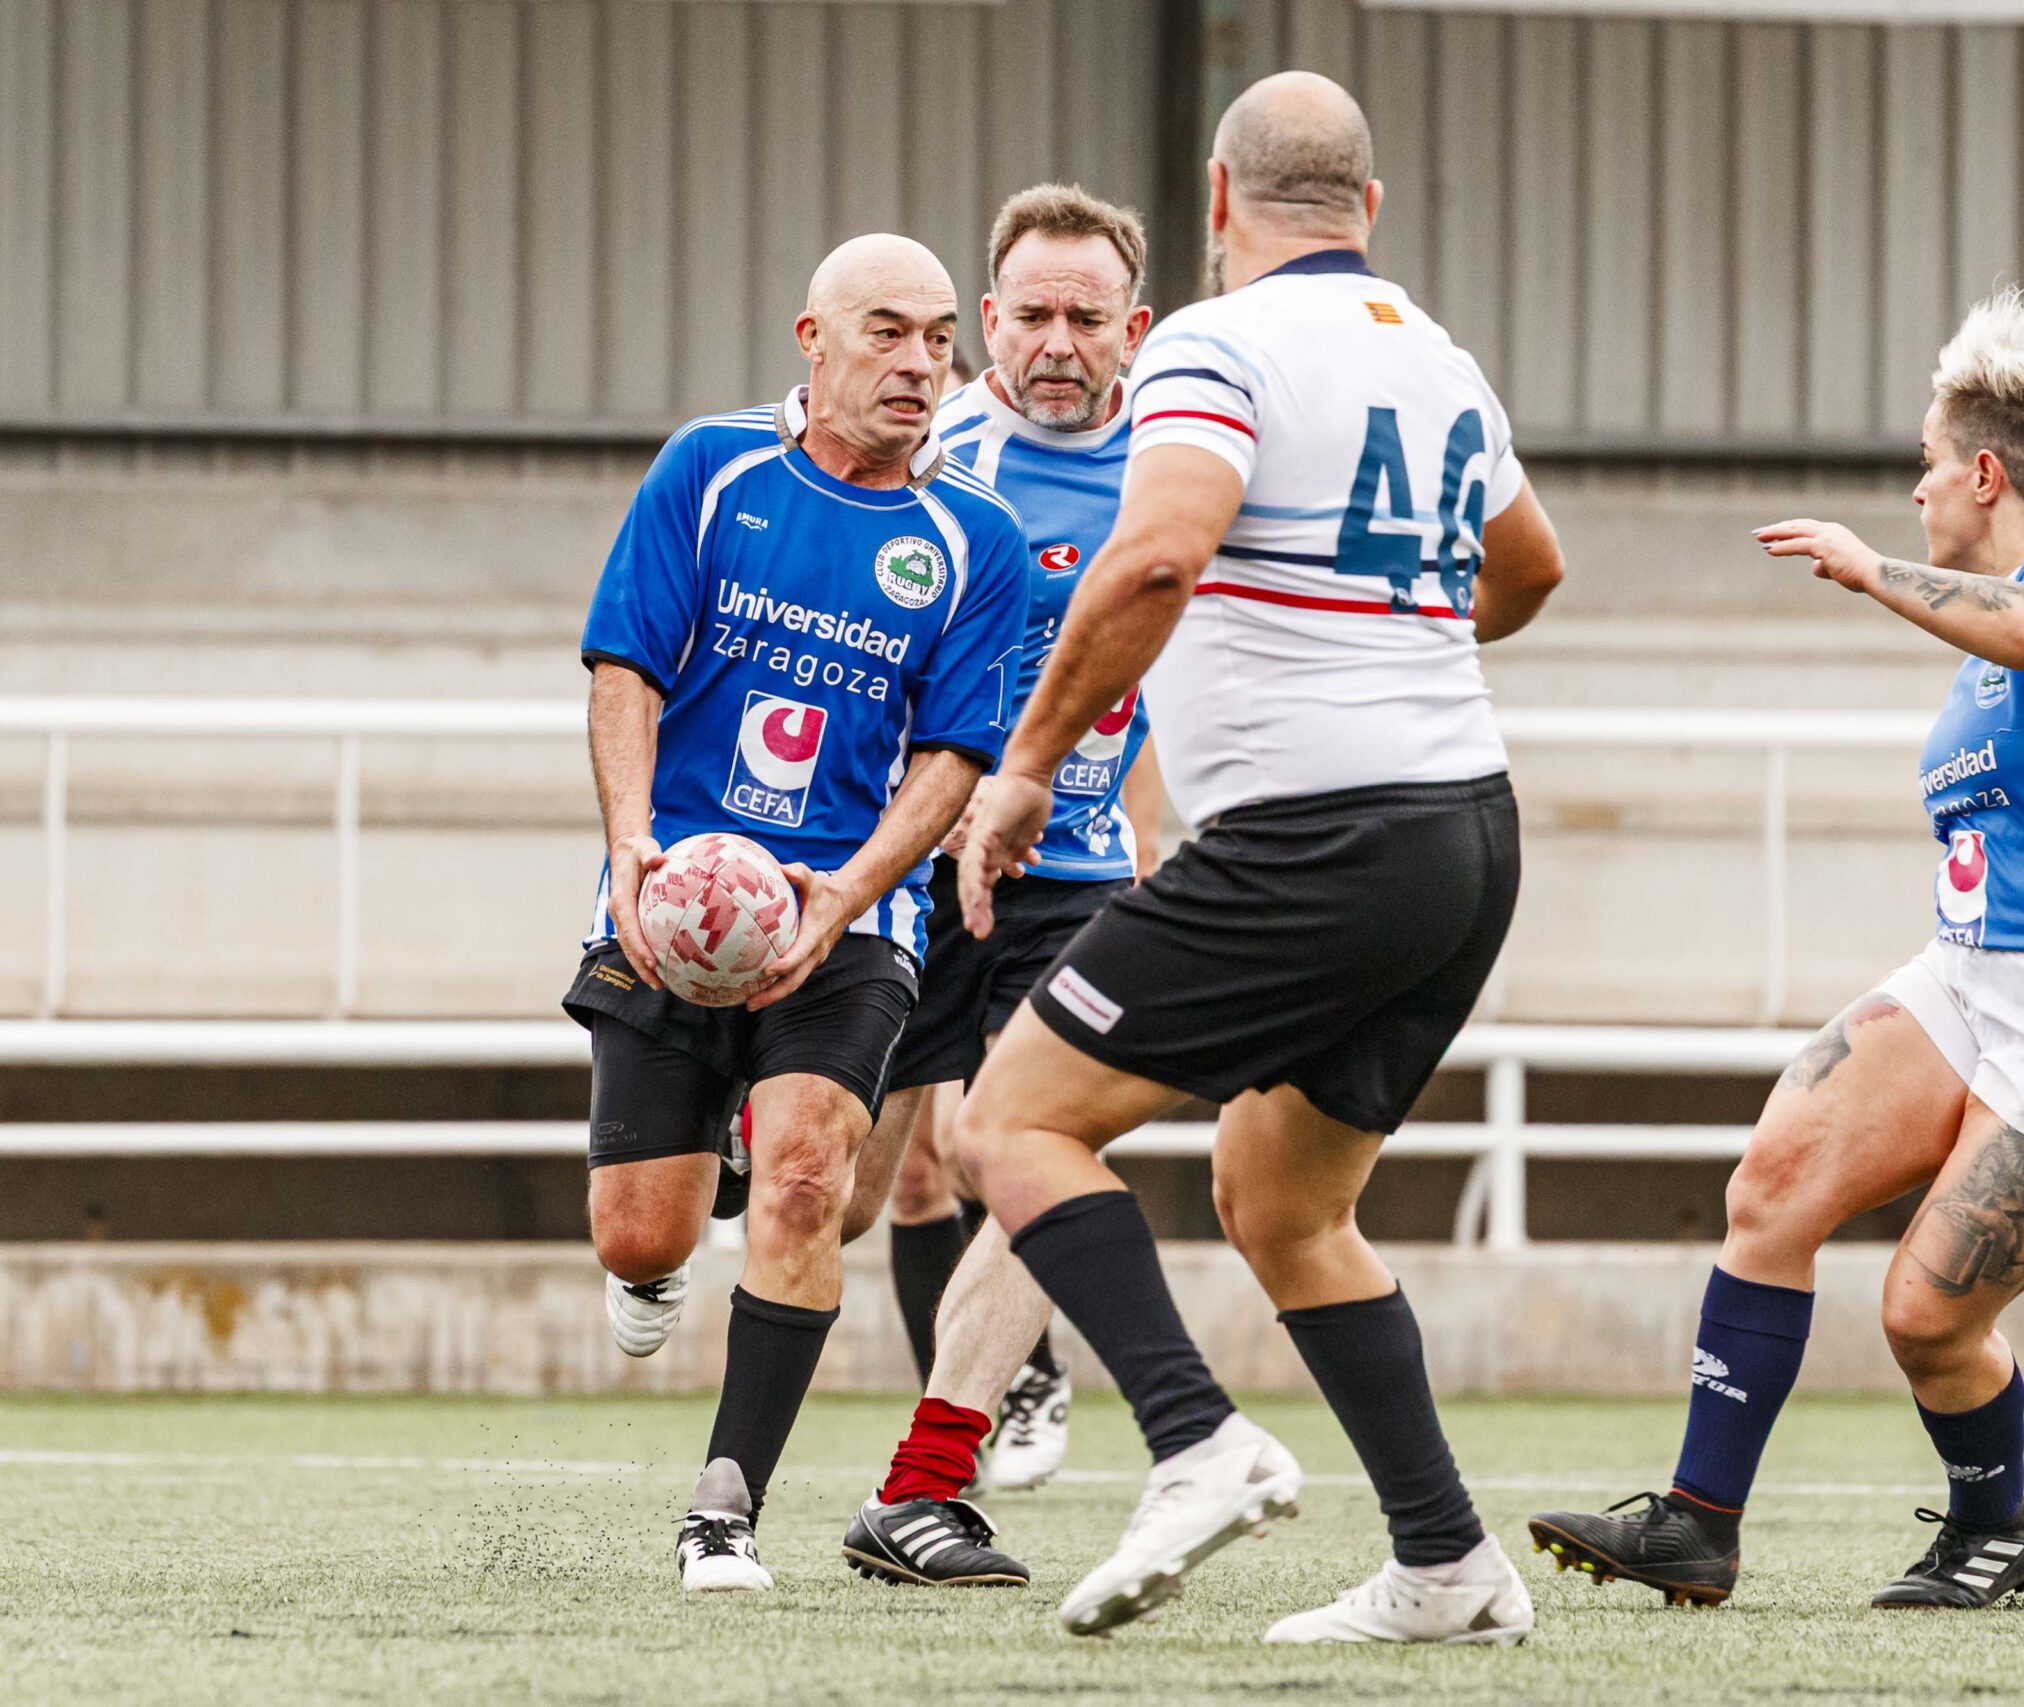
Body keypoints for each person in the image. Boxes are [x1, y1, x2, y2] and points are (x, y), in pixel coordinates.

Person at [940, 71, 1568, 1644]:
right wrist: (1398, 636)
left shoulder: (1217, 343)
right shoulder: (1437, 357)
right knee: (1282, 1197)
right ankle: (1447, 1560)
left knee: (1010, 1122)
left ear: (1218, 202)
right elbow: (1532, 568)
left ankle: (1193, 1435)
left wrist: (1023, 772)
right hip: (1465, 828)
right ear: (1371, 207)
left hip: (1317, 827)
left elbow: (1158, 551)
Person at [1529, 290, 2024, 1612]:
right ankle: (1697, 1519)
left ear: (1984, 472)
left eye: (1923, 463)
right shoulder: (1981, 638)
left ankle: (1993, 1522)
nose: (1912, 492)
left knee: (1925, 1312)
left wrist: (1865, 566)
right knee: (1773, 1179)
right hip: (1974, 968)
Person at [564, 234, 1031, 1592]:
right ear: (810, 339)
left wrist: (849, 893)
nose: (919, 363)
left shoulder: (974, 539)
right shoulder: (707, 471)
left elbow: (952, 755)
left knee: (812, 1176)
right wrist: (635, 849)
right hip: (673, 897)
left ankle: (725, 1509)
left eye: (940, 338)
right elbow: (625, 667)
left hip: (848, 917)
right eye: (887, 332)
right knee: (641, 1232)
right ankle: (662, 1243)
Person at [837, 185, 1168, 1590]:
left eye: (1087, 317)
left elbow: (1174, 674)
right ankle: (1001, 1367)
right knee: (867, 1186)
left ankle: (934, 1473)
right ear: (989, 322)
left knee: (1021, 1140)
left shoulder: (1181, 463)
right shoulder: (939, 459)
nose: (1056, 340)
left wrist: (1154, 838)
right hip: (921, 868)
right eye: (1030, 313)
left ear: (1131, 328)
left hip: (1077, 872)